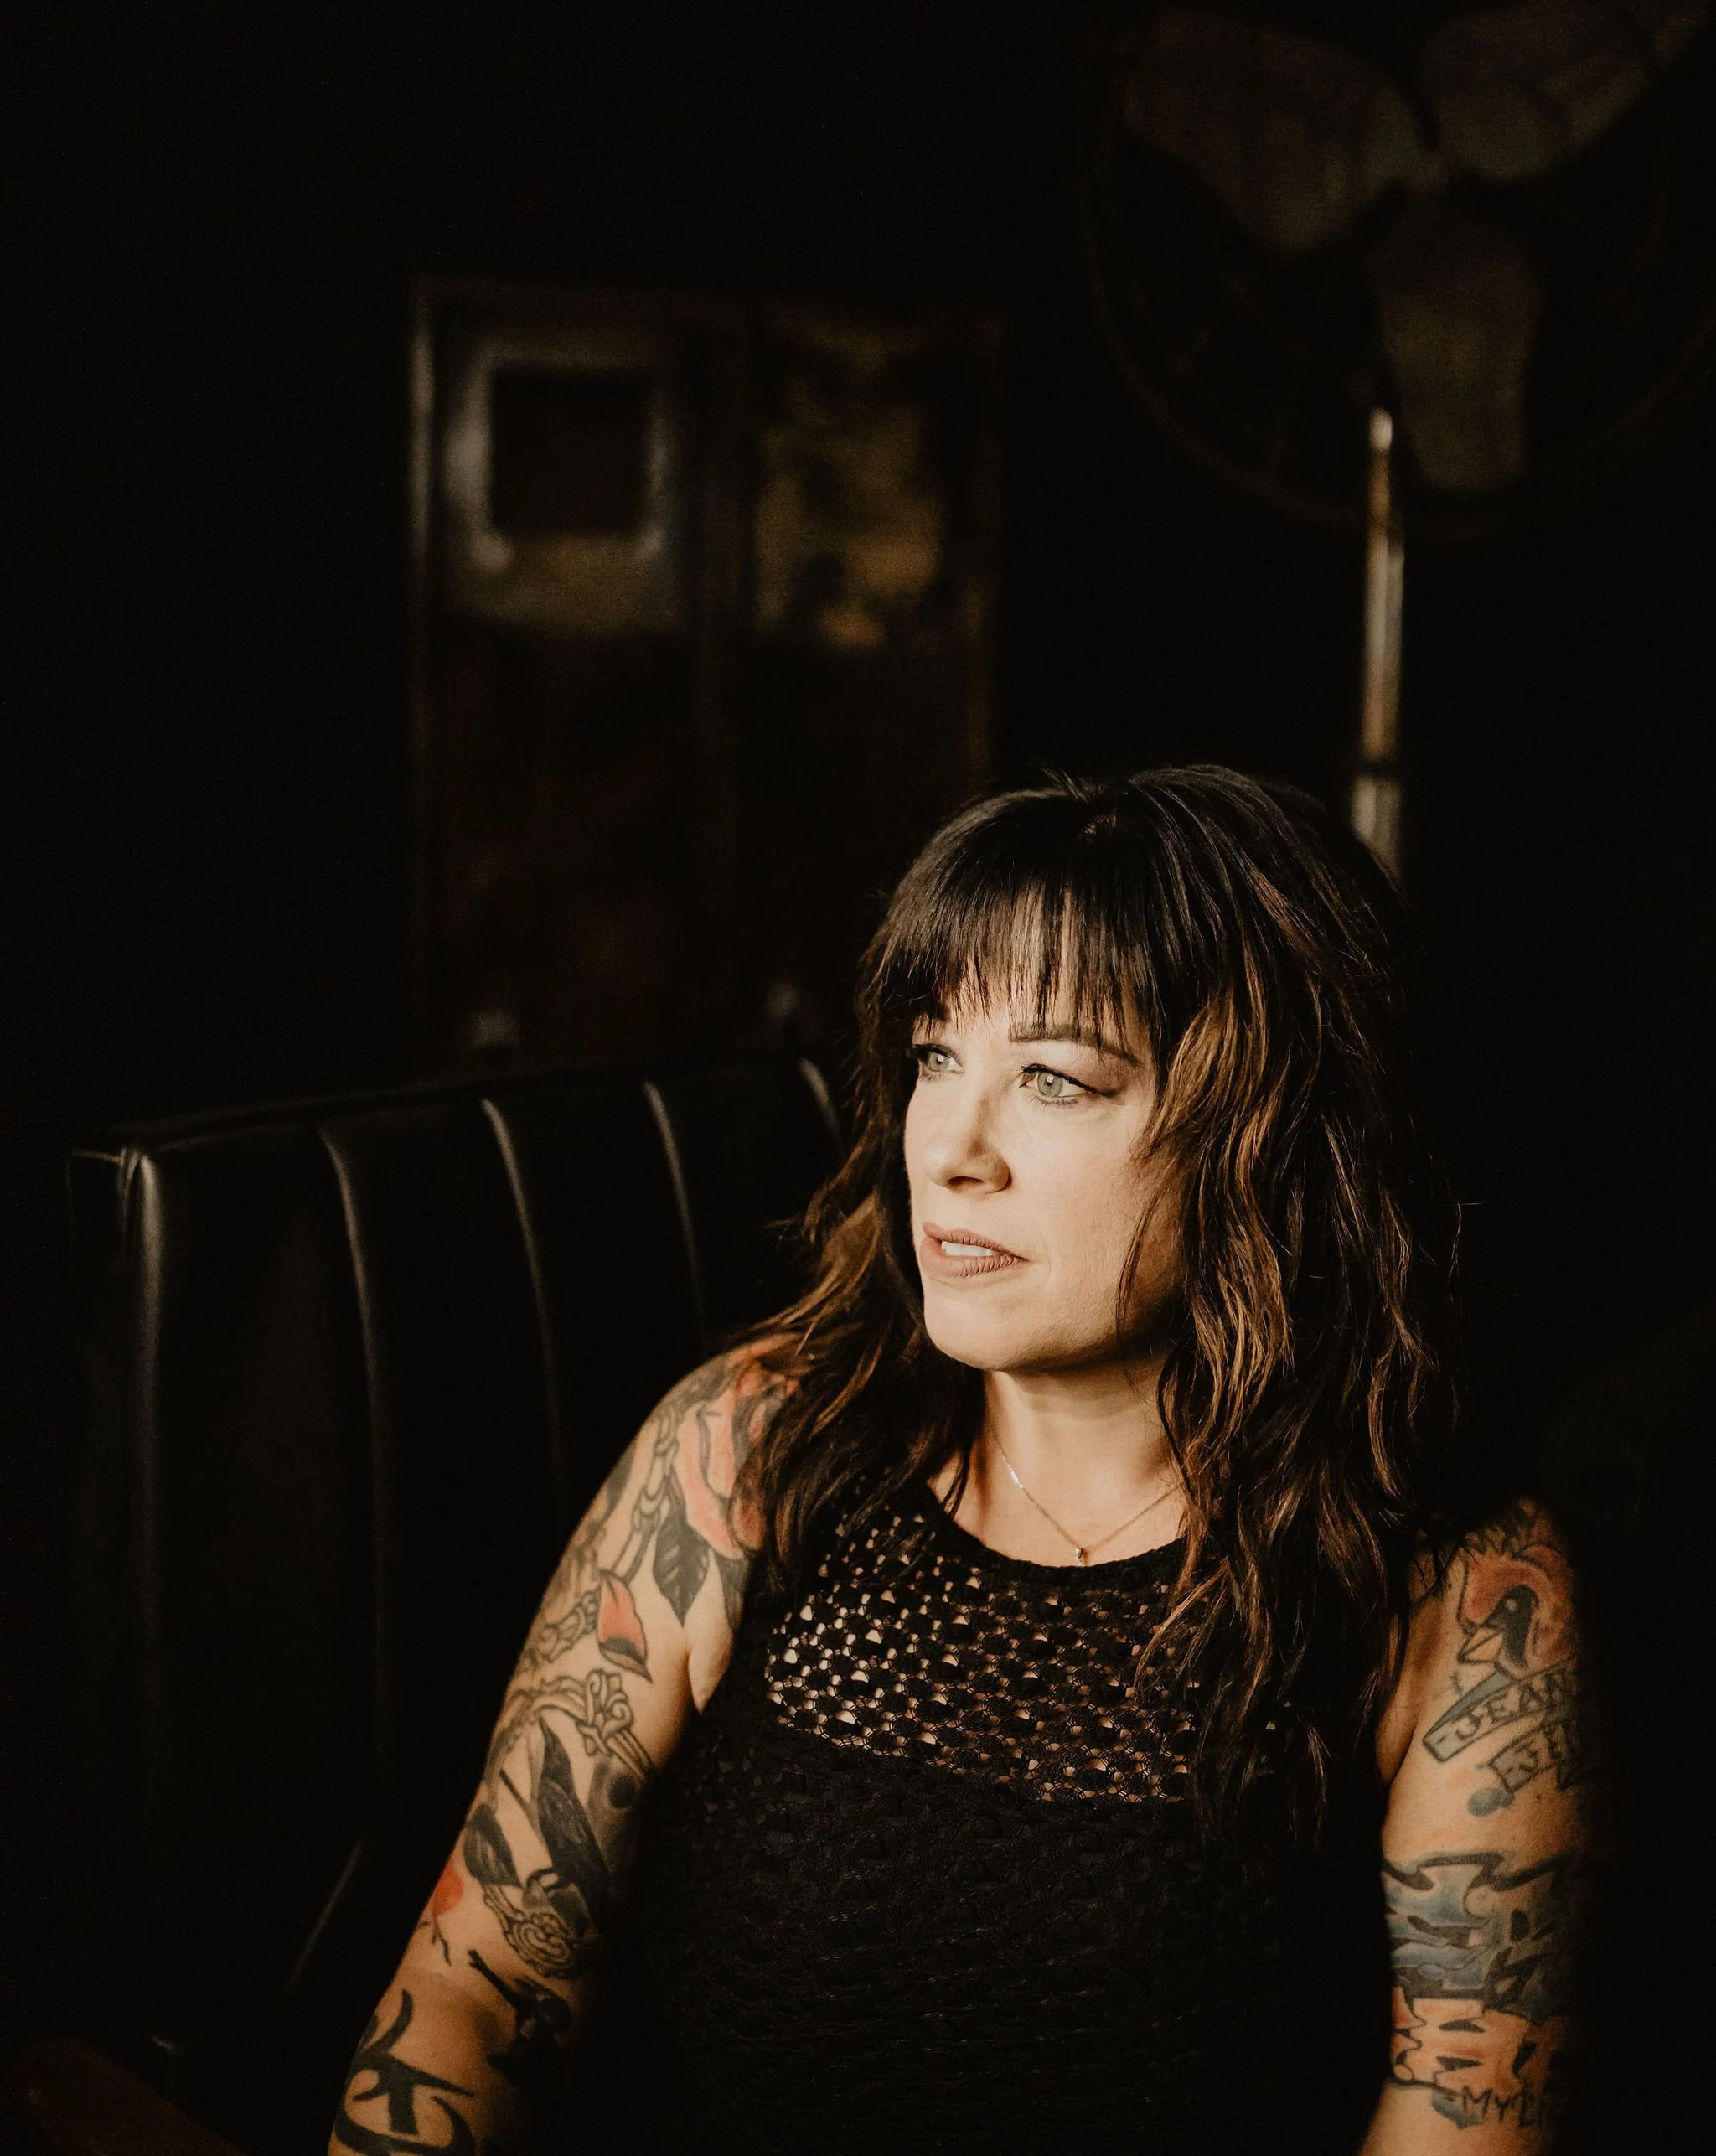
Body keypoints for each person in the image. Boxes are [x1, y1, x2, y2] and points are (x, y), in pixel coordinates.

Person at [329, 768, 1589, 2154]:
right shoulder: (745, 1453)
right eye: (936, 1057)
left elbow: (1461, 2118)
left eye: (1054, 1078)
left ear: (1275, 1137)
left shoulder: (1460, 1599)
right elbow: (472, 1998)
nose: (948, 1149)